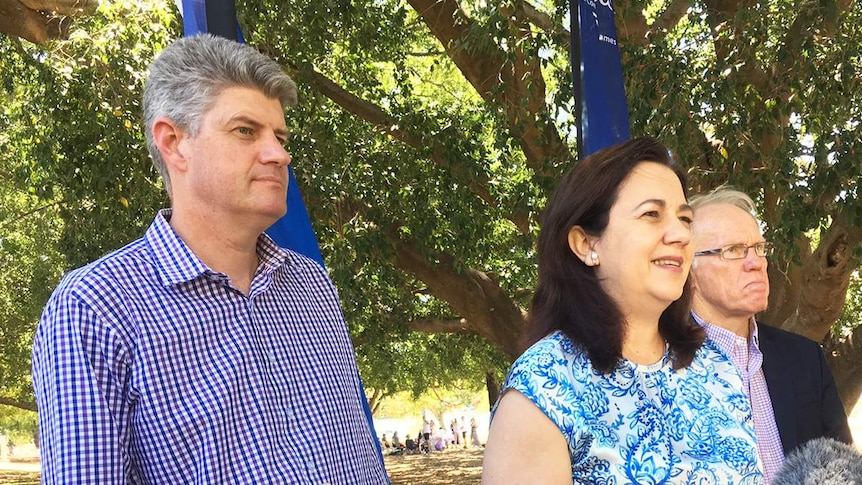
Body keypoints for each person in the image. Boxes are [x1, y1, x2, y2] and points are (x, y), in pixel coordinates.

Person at [31, 34, 389, 484]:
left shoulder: (312, 285)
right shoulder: (96, 308)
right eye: (245, 130)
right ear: (174, 143)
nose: (279, 154)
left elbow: (359, 458)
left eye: (280, 136)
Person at [482, 138, 764, 484]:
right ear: (586, 244)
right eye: (651, 214)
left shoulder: (717, 367)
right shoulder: (544, 387)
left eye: (684, 218)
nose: (680, 233)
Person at [688, 187, 853, 483]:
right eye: (733, 251)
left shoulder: (805, 358)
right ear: (689, 270)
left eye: (759, 248)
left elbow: (844, 468)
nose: (757, 262)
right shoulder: (657, 365)